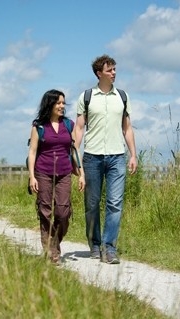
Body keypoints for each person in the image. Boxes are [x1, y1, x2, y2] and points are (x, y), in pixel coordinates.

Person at [74, 54, 137, 264]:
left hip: (117, 157)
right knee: (92, 203)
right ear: (99, 73)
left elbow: (127, 128)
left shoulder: (123, 96)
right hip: (92, 156)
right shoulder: (86, 97)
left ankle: (109, 248)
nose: (114, 73)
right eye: (110, 70)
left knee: (115, 203)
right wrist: (74, 155)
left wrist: (133, 154)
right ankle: (94, 243)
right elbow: (80, 128)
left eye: (115, 70)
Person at [28, 89, 85, 265]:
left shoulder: (68, 125)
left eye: (63, 103)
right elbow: (32, 152)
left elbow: (74, 150)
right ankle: (52, 253)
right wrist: (32, 177)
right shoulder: (39, 126)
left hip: (64, 172)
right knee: (45, 211)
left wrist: (81, 173)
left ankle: (53, 243)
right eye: (58, 103)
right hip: (43, 172)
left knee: (62, 212)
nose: (62, 106)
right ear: (50, 104)